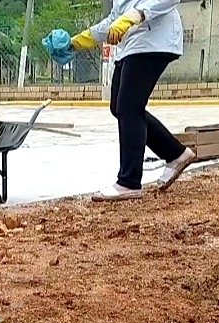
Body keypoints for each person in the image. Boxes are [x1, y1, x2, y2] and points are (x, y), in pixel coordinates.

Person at [68, 0, 196, 201]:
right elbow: (115, 18)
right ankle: (175, 153)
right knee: (120, 107)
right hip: (131, 45)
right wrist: (78, 41)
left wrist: (137, 14)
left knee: (129, 107)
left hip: (154, 40)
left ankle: (129, 181)